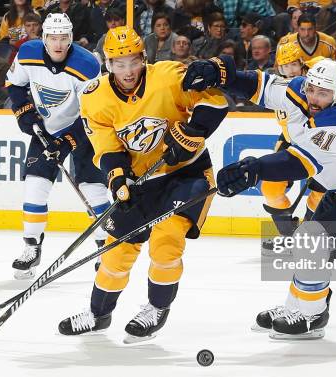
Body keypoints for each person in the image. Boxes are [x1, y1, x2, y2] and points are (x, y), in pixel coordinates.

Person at [183, 56, 336, 339]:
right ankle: (298, 306)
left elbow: (296, 163)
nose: (314, 98)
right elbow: (262, 86)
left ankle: (311, 314)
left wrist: (253, 169)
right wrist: (223, 75)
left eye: (323, 93)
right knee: (308, 242)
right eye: (312, 89)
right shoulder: (306, 91)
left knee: (314, 243)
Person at [58, 25, 228, 343]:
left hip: (186, 175)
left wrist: (194, 133)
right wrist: (118, 178)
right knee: (115, 253)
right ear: (107, 63)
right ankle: (98, 314)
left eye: (133, 61)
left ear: (143, 57)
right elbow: (107, 148)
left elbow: (215, 103)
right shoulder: (95, 98)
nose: (127, 70)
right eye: (118, 63)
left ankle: (156, 307)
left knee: (166, 242)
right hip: (140, 182)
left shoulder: (168, 76)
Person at [5, 13, 109, 279]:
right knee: (35, 188)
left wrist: (67, 142)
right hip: (47, 129)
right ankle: (31, 247)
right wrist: (25, 113)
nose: (59, 44)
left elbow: (92, 113)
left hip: (86, 131)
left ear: (71, 38)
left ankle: (106, 249)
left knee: (93, 191)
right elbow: (14, 86)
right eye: (53, 38)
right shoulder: (28, 53)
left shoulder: (88, 64)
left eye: (64, 38)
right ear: (44, 38)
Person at [260, 39, 325, 253]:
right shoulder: (276, 85)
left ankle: (308, 236)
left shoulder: (316, 74)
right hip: (290, 141)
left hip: (321, 142)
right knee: (270, 187)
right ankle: (289, 234)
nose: (289, 70)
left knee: (320, 194)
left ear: (301, 63)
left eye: (293, 64)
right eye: (284, 66)